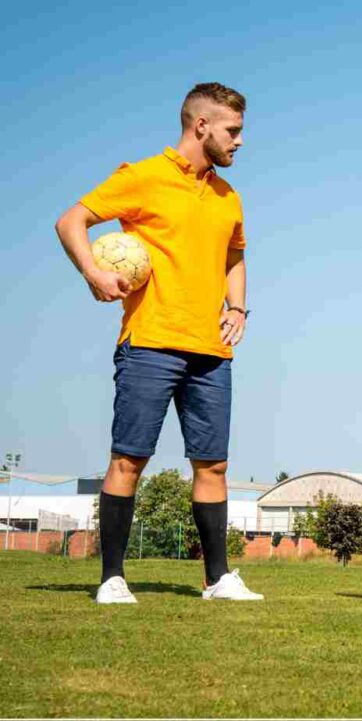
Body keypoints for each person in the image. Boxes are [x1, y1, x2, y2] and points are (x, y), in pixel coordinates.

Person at [54, 82, 262, 603]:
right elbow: (71, 220)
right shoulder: (142, 177)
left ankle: (218, 580)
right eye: (232, 131)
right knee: (129, 459)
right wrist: (93, 273)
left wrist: (237, 307)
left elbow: (234, 256)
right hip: (149, 342)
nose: (239, 142)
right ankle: (112, 579)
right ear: (201, 127)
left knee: (213, 465)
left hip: (211, 352)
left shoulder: (227, 196)